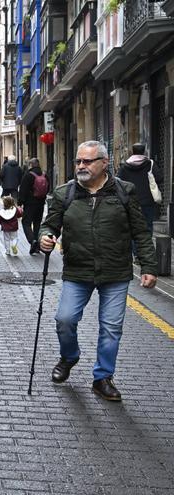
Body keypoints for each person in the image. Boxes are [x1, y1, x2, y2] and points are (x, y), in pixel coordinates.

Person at [39, 140, 157, 401]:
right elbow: (49, 225)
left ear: (104, 163)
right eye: (78, 161)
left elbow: (141, 232)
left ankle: (103, 378)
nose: (81, 166)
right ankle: (69, 356)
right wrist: (45, 237)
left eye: (87, 161)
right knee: (65, 319)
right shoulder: (64, 193)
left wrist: (149, 266)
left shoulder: (124, 191)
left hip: (115, 271)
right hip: (78, 270)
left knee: (111, 328)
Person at [116, 142, 163, 232]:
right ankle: (147, 241)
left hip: (130, 201)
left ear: (132, 151)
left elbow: (118, 182)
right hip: (147, 200)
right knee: (148, 225)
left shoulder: (125, 166)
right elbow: (160, 178)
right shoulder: (150, 164)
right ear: (144, 151)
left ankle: (135, 241)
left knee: (132, 226)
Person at [18, 157, 47, 254]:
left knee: (26, 223)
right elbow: (47, 188)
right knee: (37, 224)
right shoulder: (44, 174)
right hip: (41, 203)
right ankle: (37, 246)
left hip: (30, 204)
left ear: (30, 165)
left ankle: (32, 241)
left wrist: (20, 202)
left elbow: (23, 190)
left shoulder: (28, 175)